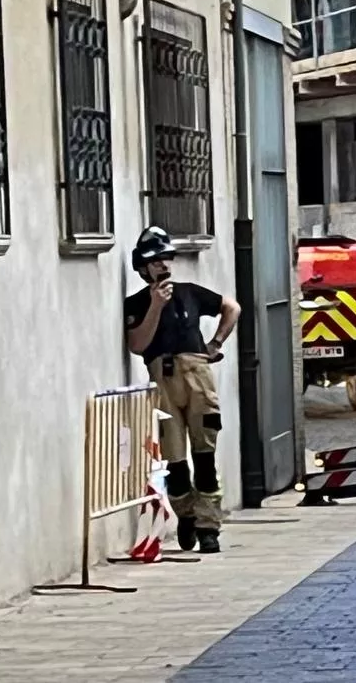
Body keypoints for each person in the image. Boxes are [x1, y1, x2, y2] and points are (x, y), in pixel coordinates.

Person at [123, 226, 242, 553]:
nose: (163, 265)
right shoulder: (136, 304)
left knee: (205, 457)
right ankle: (186, 516)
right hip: (163, 380)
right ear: (143, 267)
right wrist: (155, 306)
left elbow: (232, 308)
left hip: (197, 377)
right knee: (175, 462)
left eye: (165, 258)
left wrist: (215, 343)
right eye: (155, 261)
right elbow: (137, 345)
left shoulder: (189, 293)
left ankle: (209, 527)